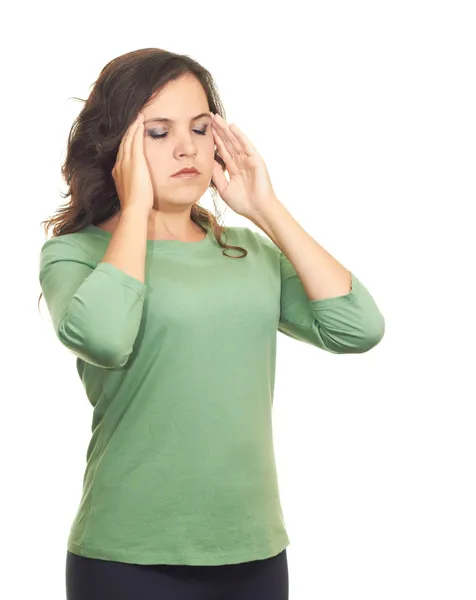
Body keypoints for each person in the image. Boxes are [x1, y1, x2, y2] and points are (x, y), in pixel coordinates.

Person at [38, 48, 385, 600]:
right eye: (158, 131)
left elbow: (357, 327)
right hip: (126, 555)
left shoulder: (247, 253)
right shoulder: (78, 256)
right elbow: (103, 337)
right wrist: (134, 212)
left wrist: (265, 208)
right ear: (117, 146)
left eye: (201, 129)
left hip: (253, 551)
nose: (186, 148)